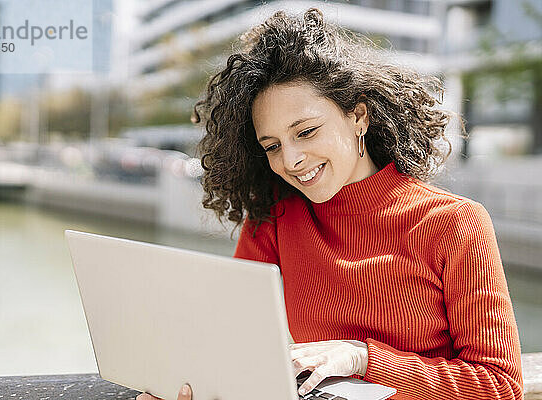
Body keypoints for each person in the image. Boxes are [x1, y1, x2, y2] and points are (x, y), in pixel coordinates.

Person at [138, 7, 523, 400]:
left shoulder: (455, 223)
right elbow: (234, 343)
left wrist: (361, 357)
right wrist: (190, 384)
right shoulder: (274, 217)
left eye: (305, 132)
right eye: (271, 146)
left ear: (358, 116)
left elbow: (499, 385)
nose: (290, 160)